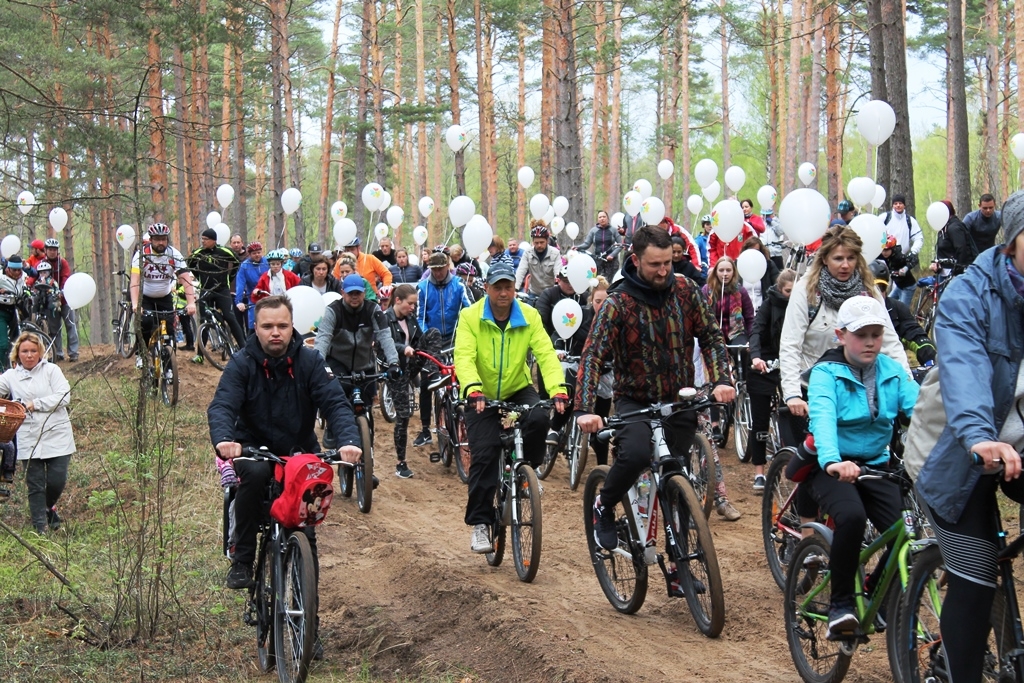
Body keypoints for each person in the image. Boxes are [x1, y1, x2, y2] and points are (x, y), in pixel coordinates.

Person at [911, 189, 1024, 683]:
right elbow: (963, 370)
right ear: (1013, 241)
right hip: (954, 456)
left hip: (1017, 450)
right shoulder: (969, 293)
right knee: (975, 577)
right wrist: (980, 437)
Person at [576, 226, 736, 550]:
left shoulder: (686, 290)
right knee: (634, 456)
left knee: (678, 477)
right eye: (655, 265)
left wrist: (721, 379)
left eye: (668, 263)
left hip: (678, 400)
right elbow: (593, 354)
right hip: (635, 401)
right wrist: (585, 409)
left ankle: (681, 559)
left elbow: (711, 336)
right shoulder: (618, 303)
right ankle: (603, 506)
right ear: (635, 260)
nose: (664, 271)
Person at [208, 296, 362, 598]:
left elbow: (335, 404)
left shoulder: (310, 361)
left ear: (293, 327)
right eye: (267, 326)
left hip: (300, 450)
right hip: (253, 447)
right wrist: (225, 440)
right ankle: (242, 560)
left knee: (306, 535)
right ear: (256, 328)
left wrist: (348, 441)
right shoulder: (242, 363)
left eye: (282, 325)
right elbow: (223, 404)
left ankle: (309, 628)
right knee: (253, 476)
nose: (275, 332)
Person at [803, 295, 919, 637]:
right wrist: (834, 461)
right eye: (861, 334)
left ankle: (874, 589)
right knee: (851, 517)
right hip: (832, 467)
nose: (870, 342)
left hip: (877, 466)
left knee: (907, 533)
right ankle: (841, 605)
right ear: (840, 335)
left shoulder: (893, 371)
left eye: (876, 334)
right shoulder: (826, 373)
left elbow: (922, 415)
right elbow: (823, 418)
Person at [453, 261, 568, 553]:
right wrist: (473, 388)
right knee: (485, 453)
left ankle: (525, 470)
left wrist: (558, 390)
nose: (504, 293)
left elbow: (545, 354)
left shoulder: (529, 316)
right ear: (487, 288)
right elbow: (464, 357)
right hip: (481, 395)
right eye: (498, 287)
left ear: (515, 289)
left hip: (518, 389)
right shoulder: (470, 316)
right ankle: (480, 523)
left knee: (541, 418)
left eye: (509, 287)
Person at [780, 226, 911, 422]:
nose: (845, 265)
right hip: (816, 388)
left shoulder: (869, 289)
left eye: (851, 258)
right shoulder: (806, 291)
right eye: (838, 258)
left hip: (860, 387)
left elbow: (889, 340)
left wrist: (906, 384)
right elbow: (791, 343)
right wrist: (792, 394)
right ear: (824, 259)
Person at [0, 332, 76, 533]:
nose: (29, 355)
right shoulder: (11, 376)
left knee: (56, 480)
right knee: (35, 484)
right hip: (28, 437)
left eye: (33, 351)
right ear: (17, 353)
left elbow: (64, 396)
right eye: (25, 351)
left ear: (40, 352)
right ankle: (39, 527)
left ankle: (48, 507)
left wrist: (37, 404)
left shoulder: (52, 371)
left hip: (57, 434)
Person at [313, 274, 399, 446]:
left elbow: (385, 337)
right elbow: (323, 338)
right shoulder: (333, 310)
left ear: (364, 293)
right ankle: (331, 426)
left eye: (358, 293)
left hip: (364, 364)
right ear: (342, 292)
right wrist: (317, 364)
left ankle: (369, 458)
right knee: (336, 397)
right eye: (350, 293)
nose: (354, 297)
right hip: (338, 362)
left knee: (367, 411)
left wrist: (394, 363)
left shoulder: (373, 310)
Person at [414, 252, 472, 447]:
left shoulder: (459, 285)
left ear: (448, 266)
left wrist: (466, 333)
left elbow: (469, 310)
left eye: (441, 269)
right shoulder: (422, 288)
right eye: (434, 270)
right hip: (432, 341)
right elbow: (419, 317)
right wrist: (429, 337)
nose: (438, 273)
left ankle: (469, 420)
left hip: (456, 339)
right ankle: (424, 429)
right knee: (426, 383)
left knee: (465, 377)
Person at [747, 268, 798, 491]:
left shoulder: (802, 306)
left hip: (791, 363)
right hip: (766, 362)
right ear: (780, 289)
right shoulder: (768, 305)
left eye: (796, 292)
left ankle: (795, 464)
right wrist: (756, 356)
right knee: (760, 419)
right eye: (788, 291)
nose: (792, 296)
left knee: (797, 416)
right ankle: (759, 471)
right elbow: (756, 330)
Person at [385, 284, 440, 479]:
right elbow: (386, 342)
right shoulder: (385, 319)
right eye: (410, 303)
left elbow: (418, 341)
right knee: (404, 415)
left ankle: (433, 374)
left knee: (433, 332)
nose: (413, 307)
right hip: (395, 369)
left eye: (415, 304)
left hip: (412, 364)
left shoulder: (410, 319)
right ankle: (401, 463)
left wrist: (417, 349)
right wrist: (403, 349)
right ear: (398, 300)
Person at [130, 224, 197, 366]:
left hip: (165, 297)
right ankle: (141, 354)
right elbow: (135, 281)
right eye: (157, 239)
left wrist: (191, 303)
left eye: (163, 239)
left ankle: (169, 367)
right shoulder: (142, 254)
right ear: (151, 239)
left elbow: (185, 279)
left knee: (170, 330)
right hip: (146, 297)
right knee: (145, 323)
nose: (161, 242)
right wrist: (136, 304)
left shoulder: (174, 254)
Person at [868, 261, 936, 366]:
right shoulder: (851, 309)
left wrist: (929, 357)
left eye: (881, 288)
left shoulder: (896, 307)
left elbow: (913, 332)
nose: (877, 293)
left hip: (892, 368)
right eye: (872, 288)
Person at [188, 228, 245, 347]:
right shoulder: (198, 253)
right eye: (202, 239)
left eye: (206, 239)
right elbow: (190, 265)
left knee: (230, 317)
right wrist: (200, 278)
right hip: (206, 290)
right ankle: (200, 354)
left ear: (213, 240)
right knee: (204, 320)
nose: (203, 241)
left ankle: (243, 347)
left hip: (222, 290)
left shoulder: (224, 251)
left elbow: (237, 262)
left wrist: (229, 278)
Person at [41, 239, 78, 362]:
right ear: (46, 250)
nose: (52, 252)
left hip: (65, 300)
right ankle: (58, 353)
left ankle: (73, 353)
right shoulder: (42, 264)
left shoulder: (62, 263)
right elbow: (36, 277)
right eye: (50, 249)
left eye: (54, 250)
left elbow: (66, 277)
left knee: (70, 325)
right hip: (50, 302)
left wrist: (62, 290)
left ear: (58, 251)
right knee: (54, 328)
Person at [883, 194, 924, 305]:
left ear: (904, 205)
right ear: (892, 205)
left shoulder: (910, 220)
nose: (898, 206)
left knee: (899, 303)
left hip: (901, 260)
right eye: (895, 203)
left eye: (900, 203)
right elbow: (874, 231)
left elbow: (919, 238)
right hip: (885, 260)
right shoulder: (885, 218)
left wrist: (913, 252)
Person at [929, 199, 978, 275]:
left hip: (954, 274)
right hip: (945, 273)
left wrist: (957, 271)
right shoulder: (944, 227)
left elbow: (962, 249)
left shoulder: (954, 228)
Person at [514, 223, 562, 299]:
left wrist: (557, 285)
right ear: (533, 242)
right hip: (534, 293)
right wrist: (515, 289)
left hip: (551, 293)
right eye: (536, 243)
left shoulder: (555, 253)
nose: (539, 245)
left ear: (547, 241)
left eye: (542, 242)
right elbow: (521, 271)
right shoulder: (528, 253)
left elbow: (558, 273)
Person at [577, 210, 623, 280]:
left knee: (611, 282)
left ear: (607, 219)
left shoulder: (613, 230)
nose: (602, 218)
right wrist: (577, 248)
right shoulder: (593, 231)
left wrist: (612, 255)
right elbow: (587, 244)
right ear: (598, 220)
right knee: (598, 282)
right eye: (600, 217)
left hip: (611, 262)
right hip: (598, 260)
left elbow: (620, 245)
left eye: (604, 217)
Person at [739, 237, 780, 310]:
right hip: (742, 309)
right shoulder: (738, 265)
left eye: (756, 251)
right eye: (750, 251)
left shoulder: (768, 265)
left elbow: (778, 284)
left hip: (763, 308)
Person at [235, 242, 268, 332]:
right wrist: (239, 301)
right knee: (253, 324)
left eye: (259, 252)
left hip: (269, 297)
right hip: (253, 299)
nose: (257, 255)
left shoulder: (267, 262)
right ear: (249, 254)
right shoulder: (245, 266)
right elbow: (240, 284)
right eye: (254, 253)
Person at [0, 257, 26, 369]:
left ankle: (17, 366)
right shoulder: (1, 277)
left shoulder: (22, 278)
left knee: (18, 341)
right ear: (8, 269)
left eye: (19, 270)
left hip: (15, 312)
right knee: (3, 344)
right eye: (14, 270)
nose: (17, 273)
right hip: (1, 313)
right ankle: (1, 368)